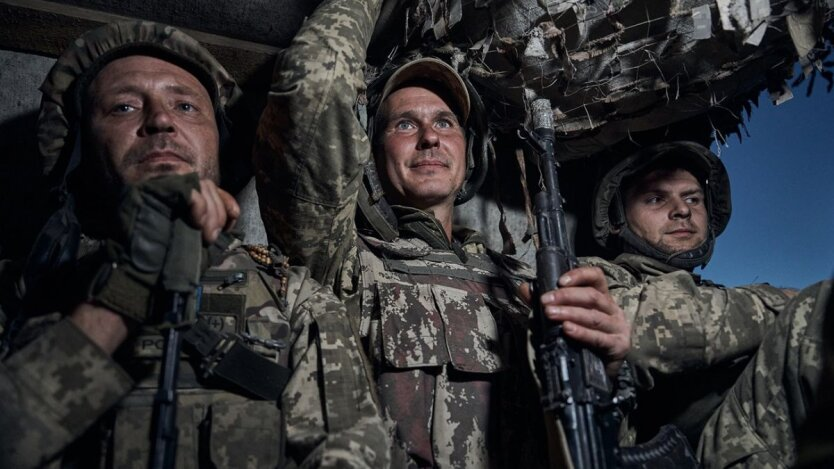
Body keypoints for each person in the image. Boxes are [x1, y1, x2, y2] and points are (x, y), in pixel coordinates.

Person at [254, 0, 631, 466]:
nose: (430, 137)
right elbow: (314, 84)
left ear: (470, 156)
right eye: (405, 123)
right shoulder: (341, 262)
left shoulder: (523, 286)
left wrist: (603, 371)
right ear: (370, 156)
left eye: (445, 122)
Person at [0, 21, 388, 468]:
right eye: (123, 107)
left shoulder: (292, 298)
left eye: (185, 105)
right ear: (81, 148)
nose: (161, 120)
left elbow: (353, 455)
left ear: (219, 143)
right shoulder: (21, 292)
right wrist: (124, 291)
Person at [586, 140, 831, 467]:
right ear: (618, 217)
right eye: (656, 198)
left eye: (692, 198)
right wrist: (781, 300)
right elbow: (647, 328)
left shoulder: (714, 293)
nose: (682, 210)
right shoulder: (594, 277)